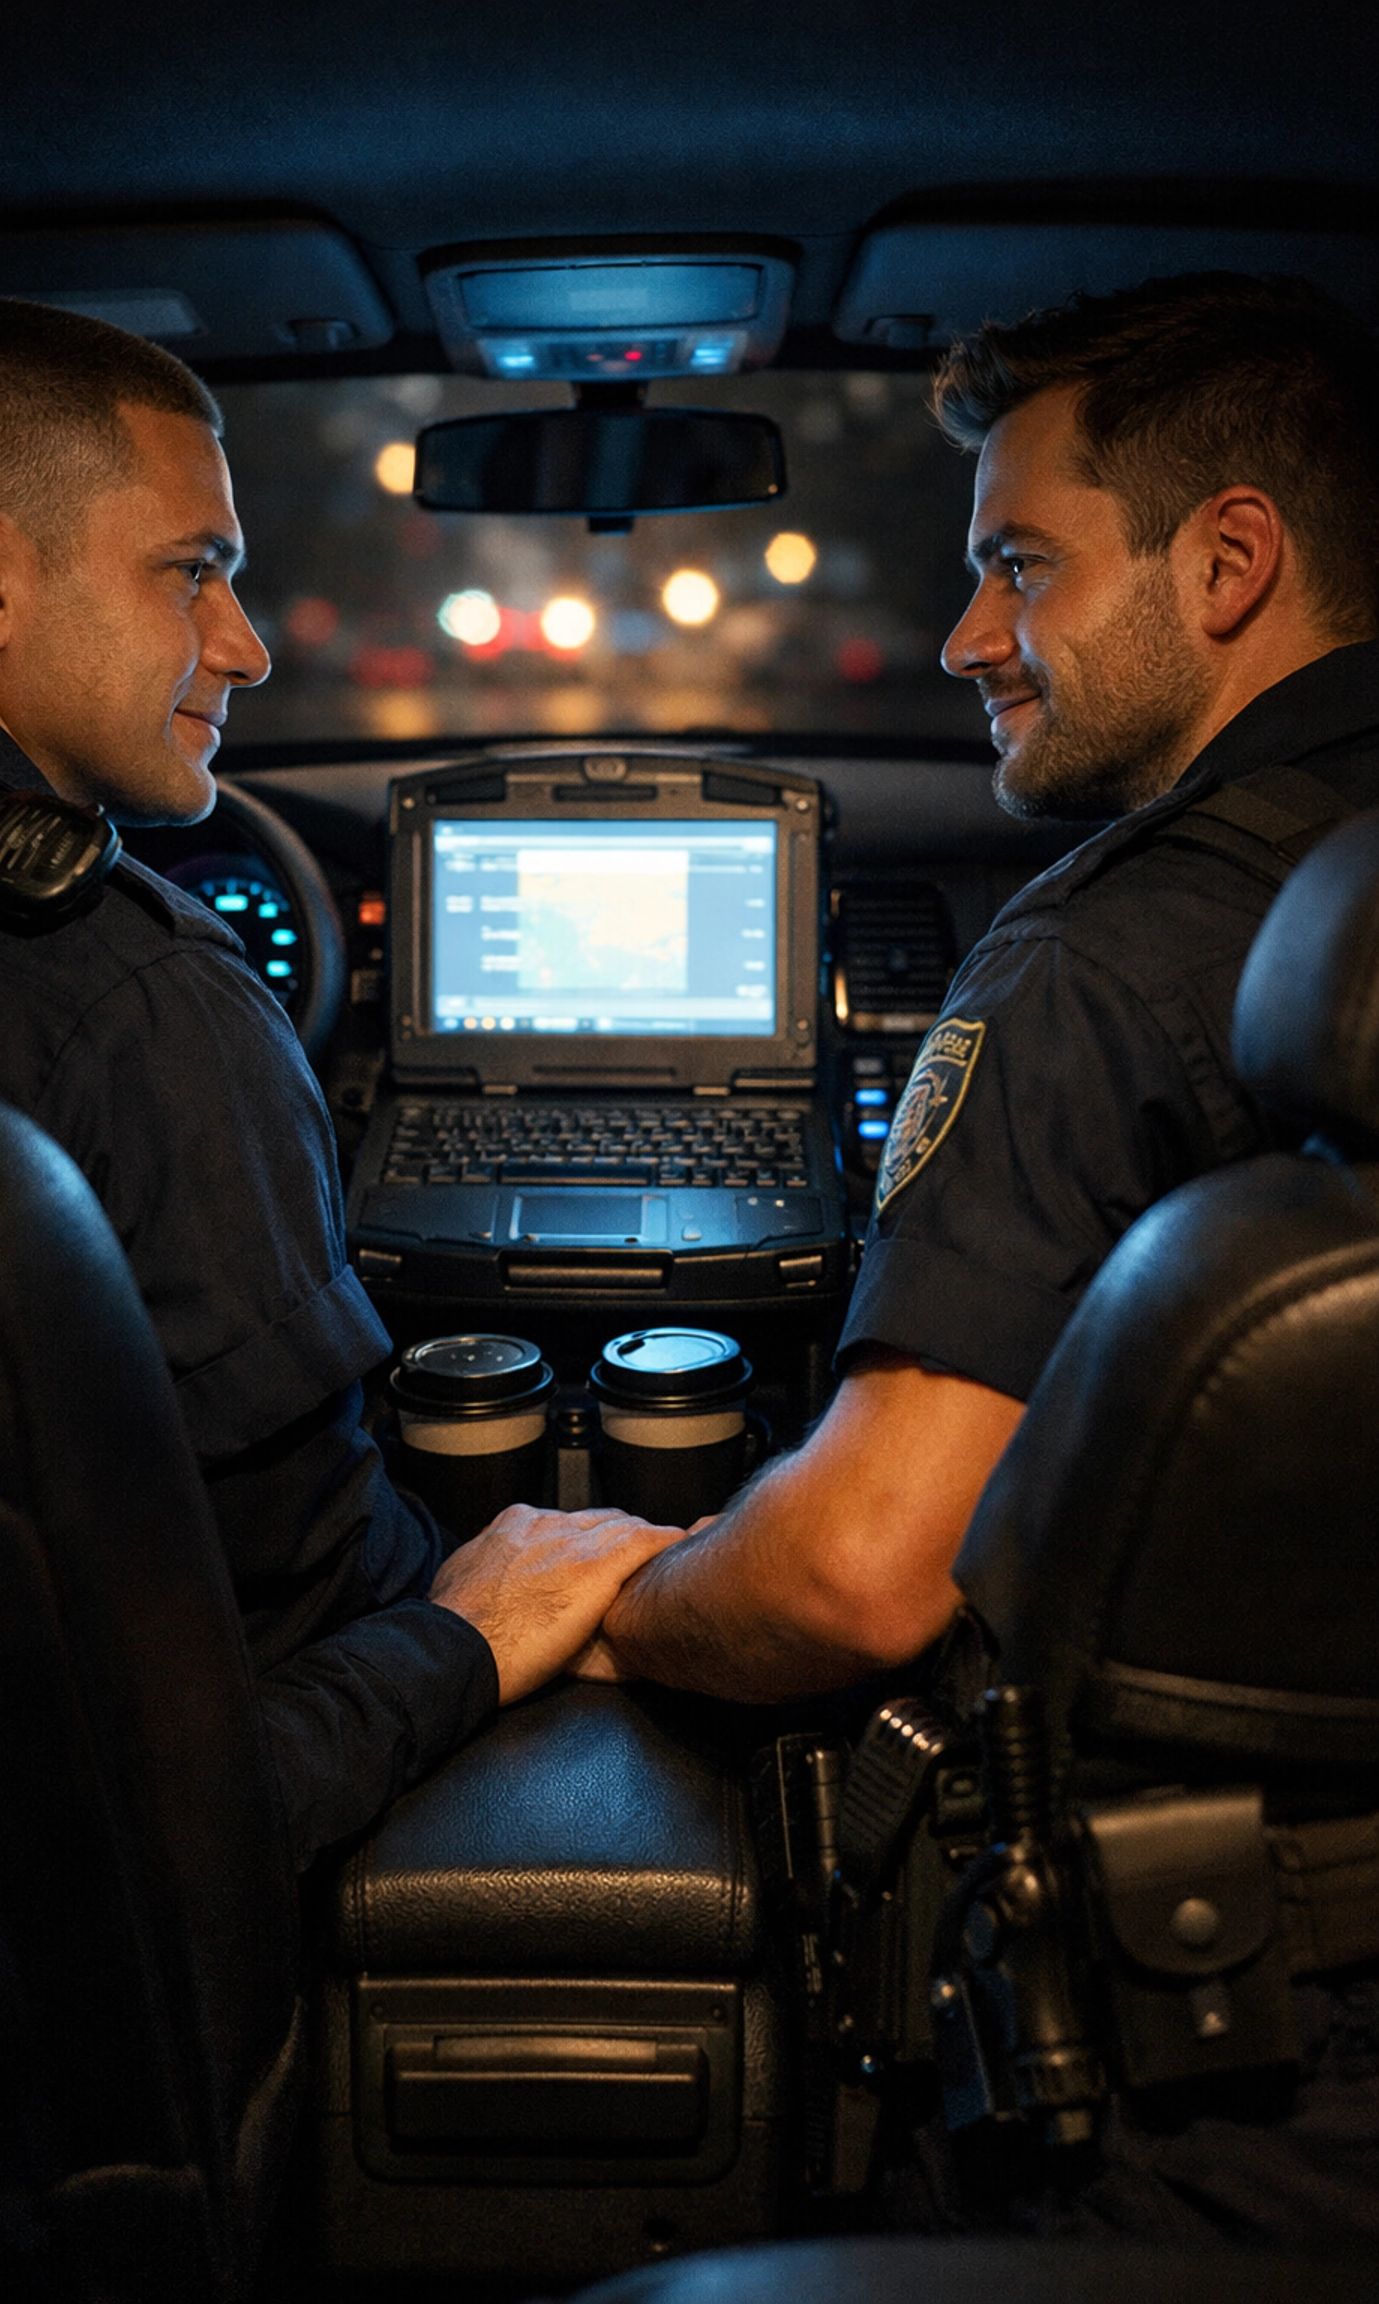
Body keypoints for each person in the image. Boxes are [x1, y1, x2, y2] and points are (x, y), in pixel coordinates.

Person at [0, 297, 681, 1869]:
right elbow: (276, 1653)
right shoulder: (144, 998)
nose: (247, 645)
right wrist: (474, 1624)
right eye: (193, 572)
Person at [580, 272, 1379, 1700]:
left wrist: (614, 1607)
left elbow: (853, 1579)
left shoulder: (1096, 962)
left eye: (1022, 565)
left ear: (1228, 561)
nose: (968, 638)